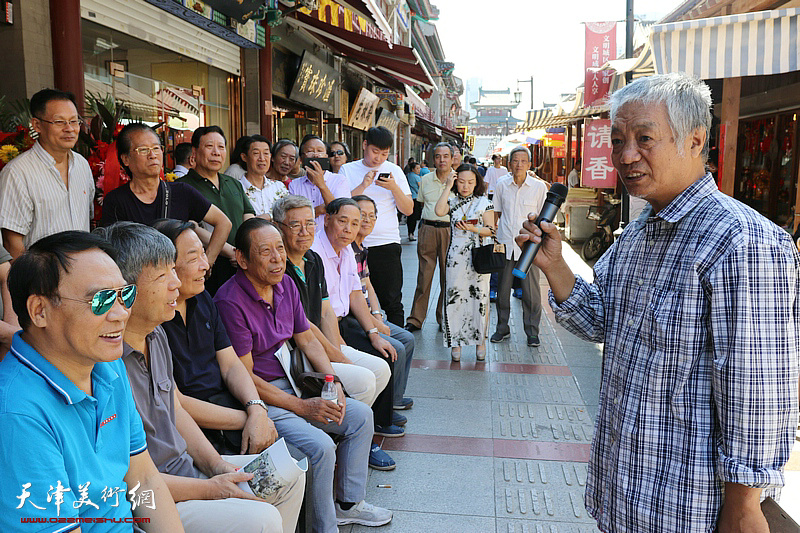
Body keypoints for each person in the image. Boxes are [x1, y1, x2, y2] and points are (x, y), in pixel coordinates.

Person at [519, 73, 800, 533]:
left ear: (695, 141)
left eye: (644, 138)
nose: (627, 156)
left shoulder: (741, 242)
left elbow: (758, 391)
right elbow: (599, 320)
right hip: (626, 493)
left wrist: (745, 507)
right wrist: (555, 265)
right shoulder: (639, 231)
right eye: (618, 141)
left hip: (692, 507)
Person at [99, 222, 302, 533]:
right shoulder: (105, 360)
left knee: (291, 477)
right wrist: (213, 486)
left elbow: (176, 410)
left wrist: (217, 465)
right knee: (261, 519)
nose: (175, 283)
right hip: (151, 499)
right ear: (126, 287)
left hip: (187, 471)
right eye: (163, 275)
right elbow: (133, 479)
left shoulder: (155, 336)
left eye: (173, 270)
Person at [214, 218, 393, 532]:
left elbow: (308, 339)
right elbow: (244, 375)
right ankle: (323, 527)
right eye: (265, 252)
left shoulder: (285, 284)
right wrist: (299, 407)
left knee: (361, 416)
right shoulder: (230, 302)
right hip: (261, 395)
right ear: (242, 259)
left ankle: (348, 505)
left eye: (280, 249)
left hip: (296, 379)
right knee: (320, 446)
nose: (277, 258)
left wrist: (331, 381)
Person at [0, 231, 184, 531]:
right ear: (39, 311)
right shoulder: (16, 412)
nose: (121, 314)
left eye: (125, 295)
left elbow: (144, 478)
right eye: (100, 300)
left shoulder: (108, 367)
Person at [272, 195, 396, 471]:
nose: (305, 232)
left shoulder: (312, 259)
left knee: (380, 369)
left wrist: (338, 350)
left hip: (323, 343)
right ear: (279, 227)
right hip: (297, 354)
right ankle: (339, 433)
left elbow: (326, 311)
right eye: (295, 225)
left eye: (308, 223)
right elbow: (303, 326)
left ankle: (346, 435)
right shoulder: (279, 268)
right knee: (363, 379)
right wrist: (336, 359)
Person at [149, 219, 278, 457]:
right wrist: (247, 418)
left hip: (228, 405)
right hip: (190, 429)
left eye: (203, 254)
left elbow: (230, 365)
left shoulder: (204, 298)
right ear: (166, 267)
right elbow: (177, 403)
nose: (205, 265)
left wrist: (256, 409)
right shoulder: (152, 321)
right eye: (192, 258)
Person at [310, 198, 405, 438]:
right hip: (324, 329)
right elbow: (324, 311)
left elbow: (355, 294)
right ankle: (354, 431)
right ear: (327, 219)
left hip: (342, 321)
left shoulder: (347, 251)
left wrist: (374, 333)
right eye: (343, 221)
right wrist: (339, 352)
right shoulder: (314, 253)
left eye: (354, 223)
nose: (348, 229)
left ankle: (363, 430)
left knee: (385, 353)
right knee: (370, 370)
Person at [100, 123, 232, 272]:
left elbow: (223, 222)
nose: (153, 155)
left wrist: (208, 261)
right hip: (143, 285)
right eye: (143, 150)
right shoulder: (116, 201)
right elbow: (111, 250)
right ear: (125, 159)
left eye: (156, 148)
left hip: (181, 283)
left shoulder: (182, 192)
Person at [0, 89, 95, 259]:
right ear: (37, 125)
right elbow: (12, 242)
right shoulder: (17, 173)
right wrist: (31, 281)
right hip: (43, 279)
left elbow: (88, 219)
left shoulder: (82, 165)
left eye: (74, 121)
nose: (69, 129)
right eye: (59, 122)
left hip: (83, 274)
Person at [339, 126, 413, 326]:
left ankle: (398, 342)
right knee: (353, 297)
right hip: (352, 244)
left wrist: (394, 187)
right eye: (374, 151)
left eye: (384, 153)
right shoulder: (348, 169)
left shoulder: (394, 171)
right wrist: (363, 185)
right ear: (365, 146)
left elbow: (408, 209)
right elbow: (339, 205)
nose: (378, 158)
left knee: (392, 300)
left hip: (386, 243)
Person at [352, 195, 415, 411]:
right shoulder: (346, 250)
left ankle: (395, 399)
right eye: (362, 215)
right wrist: (374, 324)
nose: (367, 220)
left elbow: (367, 285)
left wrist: (378, 316)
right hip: (353, 318)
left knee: (407, 338)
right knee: (395, 346)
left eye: (372, 216)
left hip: (369, 316)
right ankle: (383, 412)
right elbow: (354, 297)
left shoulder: (362, 248)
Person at [179, 126, 256, 293]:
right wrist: (231, 252)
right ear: (194, 151)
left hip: (242, 264)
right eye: (209, 146)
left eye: (221, 147)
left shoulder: (233, 183)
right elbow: (192, 228)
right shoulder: (182, 187)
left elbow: (248, 218)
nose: (216, 152)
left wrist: (247, 250)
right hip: (208, 265)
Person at [434, 164, 494, 362]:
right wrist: (448, 185)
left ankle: (480, 341)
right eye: (461, 181)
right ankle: (456, 343)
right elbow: (439, 210)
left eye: (470, 182)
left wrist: (473, 229)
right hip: (455, 258)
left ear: (477, 182)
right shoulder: (452, 201)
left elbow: (491, 230)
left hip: (478, 259)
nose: (465, 186)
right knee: (454, 299)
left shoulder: (484, 202)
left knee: (480, 301)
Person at [491, 146, 547, 347]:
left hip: (528, 248)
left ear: (530, 165)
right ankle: (502, 328)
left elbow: (544, 217)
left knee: (531, 293)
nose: (519, 165)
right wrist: (493, 236)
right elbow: (496, 213)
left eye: (523, 161)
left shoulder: (539, 187)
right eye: (515, 161)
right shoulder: (501, 184)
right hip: (506, 243)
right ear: (509, 163)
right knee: (503, 291)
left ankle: (532, 332)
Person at [405, 143, 454, 332]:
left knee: (447, 276)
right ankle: (416, 319)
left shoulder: (457, 181)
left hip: (450, 230)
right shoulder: (425, 179)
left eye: (446, 156)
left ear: (451, 158)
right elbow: (421, 204)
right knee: (424, 276)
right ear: (433, 159)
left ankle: (444, 318)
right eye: (438, 156)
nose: (442, 160)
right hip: (428, 229)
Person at [289, 134, 351, 226]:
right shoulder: (294, 185)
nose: (316, 155)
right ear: (301, 159)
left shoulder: (340, 180)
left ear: (326, 156)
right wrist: (320, 209)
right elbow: (294, 216)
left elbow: (341, 212)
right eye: (310, 151)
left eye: (320, 151)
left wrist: (321, 184)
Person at [235, 135, 288, 218]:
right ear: (244, 157)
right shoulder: (236, 189)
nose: (262, 158)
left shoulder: (279, 187)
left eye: (266, 153)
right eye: (256, 153)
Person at [405, 162, 422, 241]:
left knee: (410, 217)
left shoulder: (408, 176)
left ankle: (409, 233)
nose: (419, 170)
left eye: (419, 168)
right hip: (415, 198)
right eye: (417, 168)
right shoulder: (417, 177)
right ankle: (412, 233)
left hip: (408, 198)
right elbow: (420, 187)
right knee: (414, 217)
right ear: (413, 169)